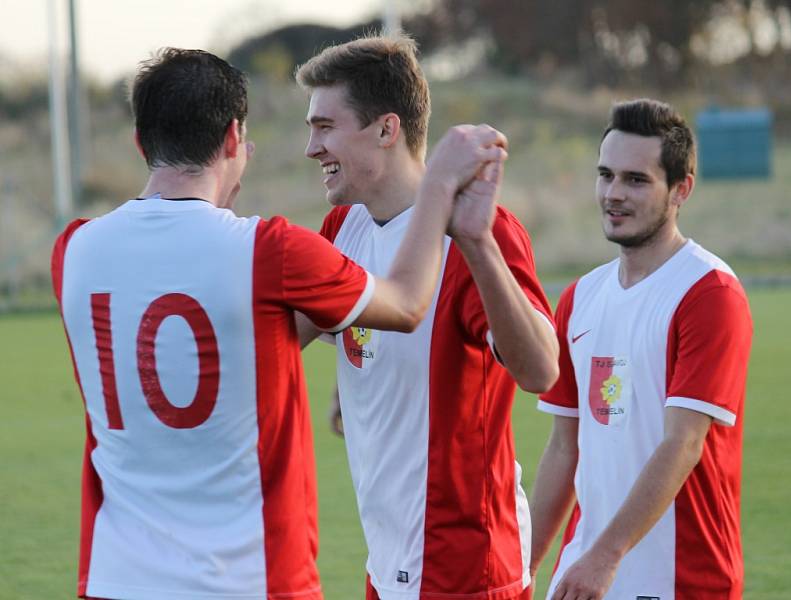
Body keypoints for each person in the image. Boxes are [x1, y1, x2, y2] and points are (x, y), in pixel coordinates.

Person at [51, 47, 508, 600]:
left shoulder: (72, 250)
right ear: (232, 138)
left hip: (114, 576)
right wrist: (438, 186)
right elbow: (408, 303)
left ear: (140, 144)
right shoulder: (268, 251)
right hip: (251, 579)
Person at [294, 34, 559, 600]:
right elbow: (284, 334)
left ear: (387, 130)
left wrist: (480, 244)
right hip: (388, 559)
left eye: (325, 126)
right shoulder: (343, 230)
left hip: (465, 567)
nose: (311, 147)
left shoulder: (478, 231)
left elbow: (541, 369)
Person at [530, 99, 753, 599]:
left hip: (681, 578)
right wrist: (524, 565)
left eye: (636, 180)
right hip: (582, 572)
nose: (613, 194)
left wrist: (605, 557)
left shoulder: (709, 292)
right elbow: (564, 448)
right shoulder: (580, 296)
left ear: (681, 190)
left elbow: (683, 444)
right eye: (605, 175)